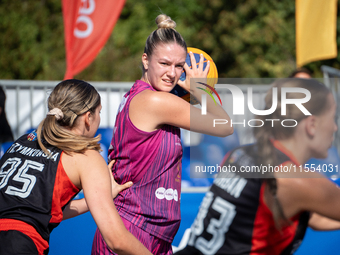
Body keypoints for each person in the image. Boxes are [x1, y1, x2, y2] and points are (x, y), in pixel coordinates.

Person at [92, 14, 233, 255]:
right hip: (133, 231)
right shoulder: (155, 101)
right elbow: (224, 125)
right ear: (146, 60)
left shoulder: (142, 96)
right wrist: (200, 88)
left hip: (152, 232)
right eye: (164, 63)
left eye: (179, 66)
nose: (172, 73)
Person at [174, 78, 340, 255]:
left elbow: (313, 218)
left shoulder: (239, 154)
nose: (335, 127)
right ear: (312, 125)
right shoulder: (297, 181)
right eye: (333, 118)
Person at [0, 79, 152, 255]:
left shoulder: (25, 141)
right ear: (88, 117)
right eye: (99, 112)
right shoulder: (85, 156)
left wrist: (98, 199)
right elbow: (116, 240)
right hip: (18, 244)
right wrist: (194, 87)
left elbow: (38, 210)